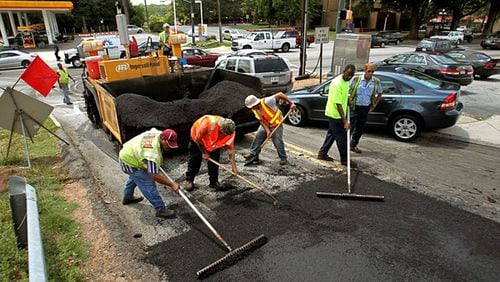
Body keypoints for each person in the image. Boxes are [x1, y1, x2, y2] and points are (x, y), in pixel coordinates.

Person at [119, 128, 180, 218]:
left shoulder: (158, 133)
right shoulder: (152, 154)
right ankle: (161, 210)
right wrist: (172, 184)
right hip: (129, 161)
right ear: (162, 139)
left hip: (130, 155)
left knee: (135, 178)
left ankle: (128, 198)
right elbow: (154, 176)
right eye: (168, 144)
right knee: (148, 184)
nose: (169, 147)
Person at [316, 64, 357, 167]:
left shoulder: (346, 82)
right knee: (342, 139)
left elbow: (344, 96)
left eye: (352, 75)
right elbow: (338, 104)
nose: (349, 77)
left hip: (339, 113)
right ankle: (345, 160)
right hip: (335, 114)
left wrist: (348, 101)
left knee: (332, 134)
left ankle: (322, 153)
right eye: (348, 75)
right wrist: (345, 122)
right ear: (344, 71)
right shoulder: (337, 83)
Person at [184, 115, 238, 191]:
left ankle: (214, 182)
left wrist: (234, 167)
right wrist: (204, 152)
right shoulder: (207, 124)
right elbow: (198, 139)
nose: (224, 135)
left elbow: (231, 150)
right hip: (197, 139)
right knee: (195, 159)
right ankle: (189, 180)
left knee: (215, 161)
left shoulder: (230, 132)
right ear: (220, 129)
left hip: (213, 143)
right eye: (223, 133)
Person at [243, 92, 296, 165]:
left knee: (277, 141)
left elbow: (280, 94)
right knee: (258, 137)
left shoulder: (267, 101)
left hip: (276, 123)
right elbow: (261, 120)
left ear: (256, 104)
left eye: (252, 107)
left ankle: (283, 158)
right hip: (265, 124)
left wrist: (291, 103)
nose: (251, 109)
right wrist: (267, 131)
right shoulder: (254, 109)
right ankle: (253, 155)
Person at [348, 63, 383, 154]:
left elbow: (379, 93)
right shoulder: (357, 80)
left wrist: (374, 104)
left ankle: (353, 145)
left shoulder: (375, 82)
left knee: (360, 128)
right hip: (355, 107)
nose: (371, 73)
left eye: (372, 71)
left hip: (365, 107)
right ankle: (345, 146)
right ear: (365, 71)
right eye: (369, 71)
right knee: (350, 127)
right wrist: (349, 101)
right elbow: (347, 90)